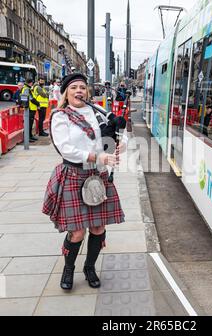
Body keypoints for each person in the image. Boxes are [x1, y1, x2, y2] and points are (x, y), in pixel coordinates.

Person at [42, 73, 125, 291]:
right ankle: (69, 268)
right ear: (66, 94)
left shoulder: (97, 113)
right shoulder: (60, 116)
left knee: (98, 228)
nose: (79, 91)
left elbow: (108, 141)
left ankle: (90, 267)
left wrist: (117, 145)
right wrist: (98, 157)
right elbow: (66, 149)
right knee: (77, 231)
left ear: (87, 92)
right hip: (74, 175)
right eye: (73, 88)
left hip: (98, 175)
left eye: (82, 87)